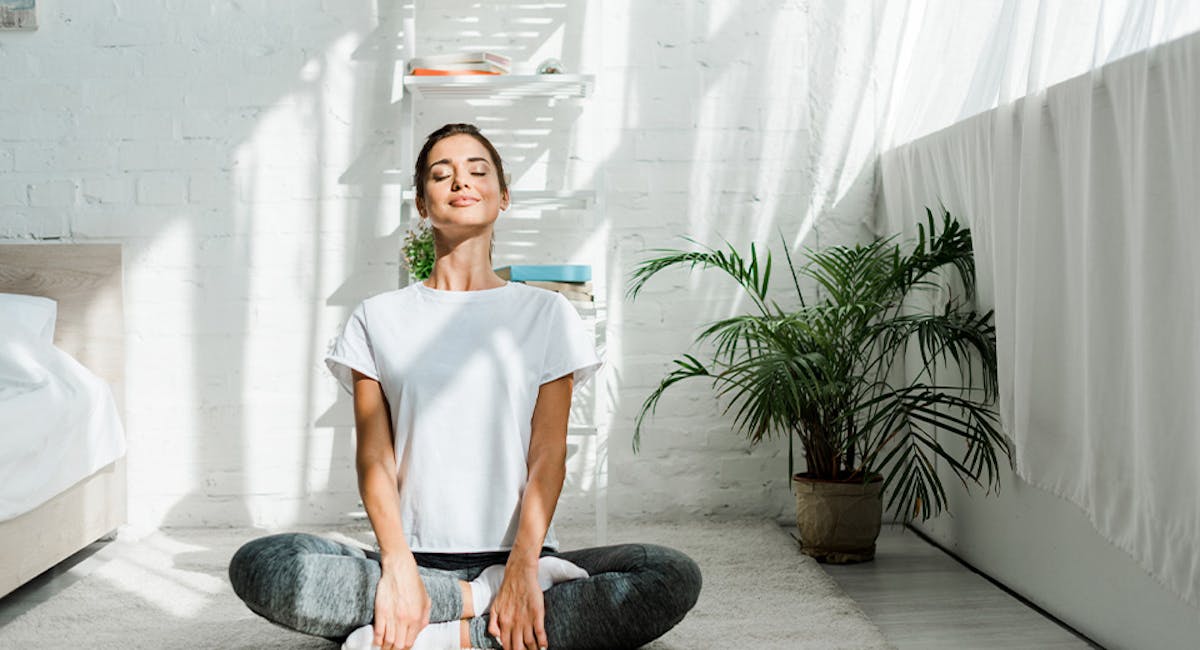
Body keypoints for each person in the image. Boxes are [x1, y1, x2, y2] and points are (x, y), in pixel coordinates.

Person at [228, 123, 702, 650]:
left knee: (667, 574)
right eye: (441, 174)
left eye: (478, 171)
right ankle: (478, 608)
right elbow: (375, 461)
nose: (461, 181)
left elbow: (548, 456)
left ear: (503, 196)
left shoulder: (547, 314)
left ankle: (447, 626)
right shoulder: (377, 318)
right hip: (414, 557)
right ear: (422, 204)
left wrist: (523, 565)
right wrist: (398, 566)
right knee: (262, 565)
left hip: (524, 554)